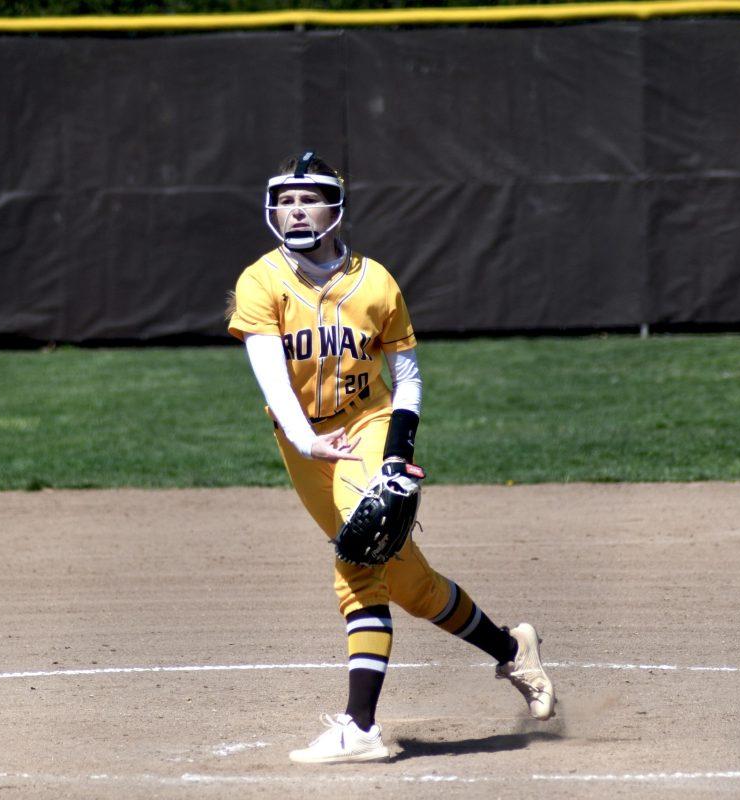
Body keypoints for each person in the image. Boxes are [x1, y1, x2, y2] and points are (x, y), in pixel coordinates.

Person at [226, 151, 557, 765]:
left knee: (358, 561)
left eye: (309, 197)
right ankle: (514, 651)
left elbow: (406, 378)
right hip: (303, 444)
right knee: (410, 582)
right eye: (284, 199)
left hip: (368, 427)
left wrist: (397, 454)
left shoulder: (375, 282)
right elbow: (269, 374)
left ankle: (360, 729)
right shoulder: (261, 280)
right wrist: (305, 440)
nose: (294, 208)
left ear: (336, 207)